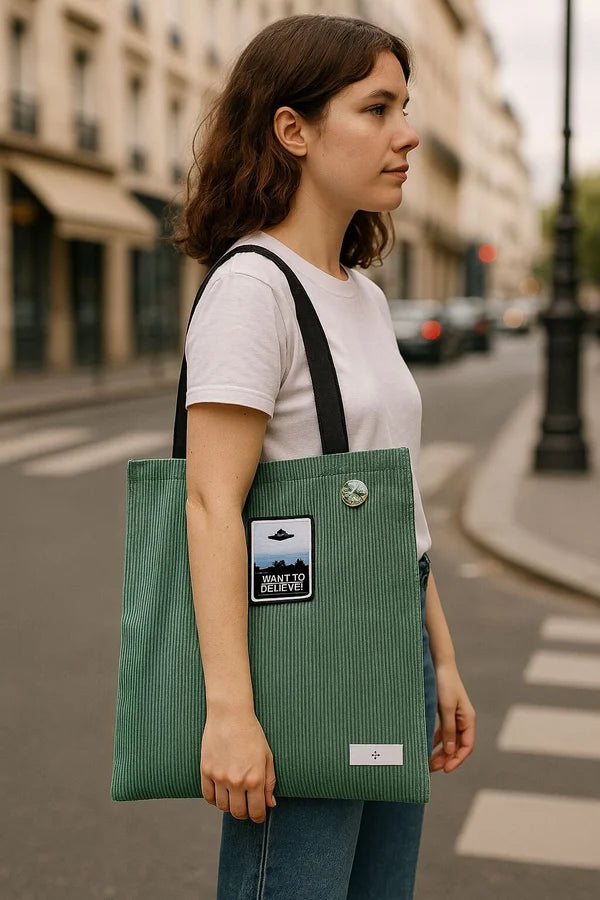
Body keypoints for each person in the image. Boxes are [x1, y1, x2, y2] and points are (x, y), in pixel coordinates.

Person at [171, 13, 476, 900]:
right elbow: (210, 502)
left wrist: (439, 657)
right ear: (293, 130)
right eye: (377, 109)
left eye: (405, 108)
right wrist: (231, 711)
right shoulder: (251, 288)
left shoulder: (365, 298)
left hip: (392, 640)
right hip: (302, 661)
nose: (406, 134)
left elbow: (389, 497)